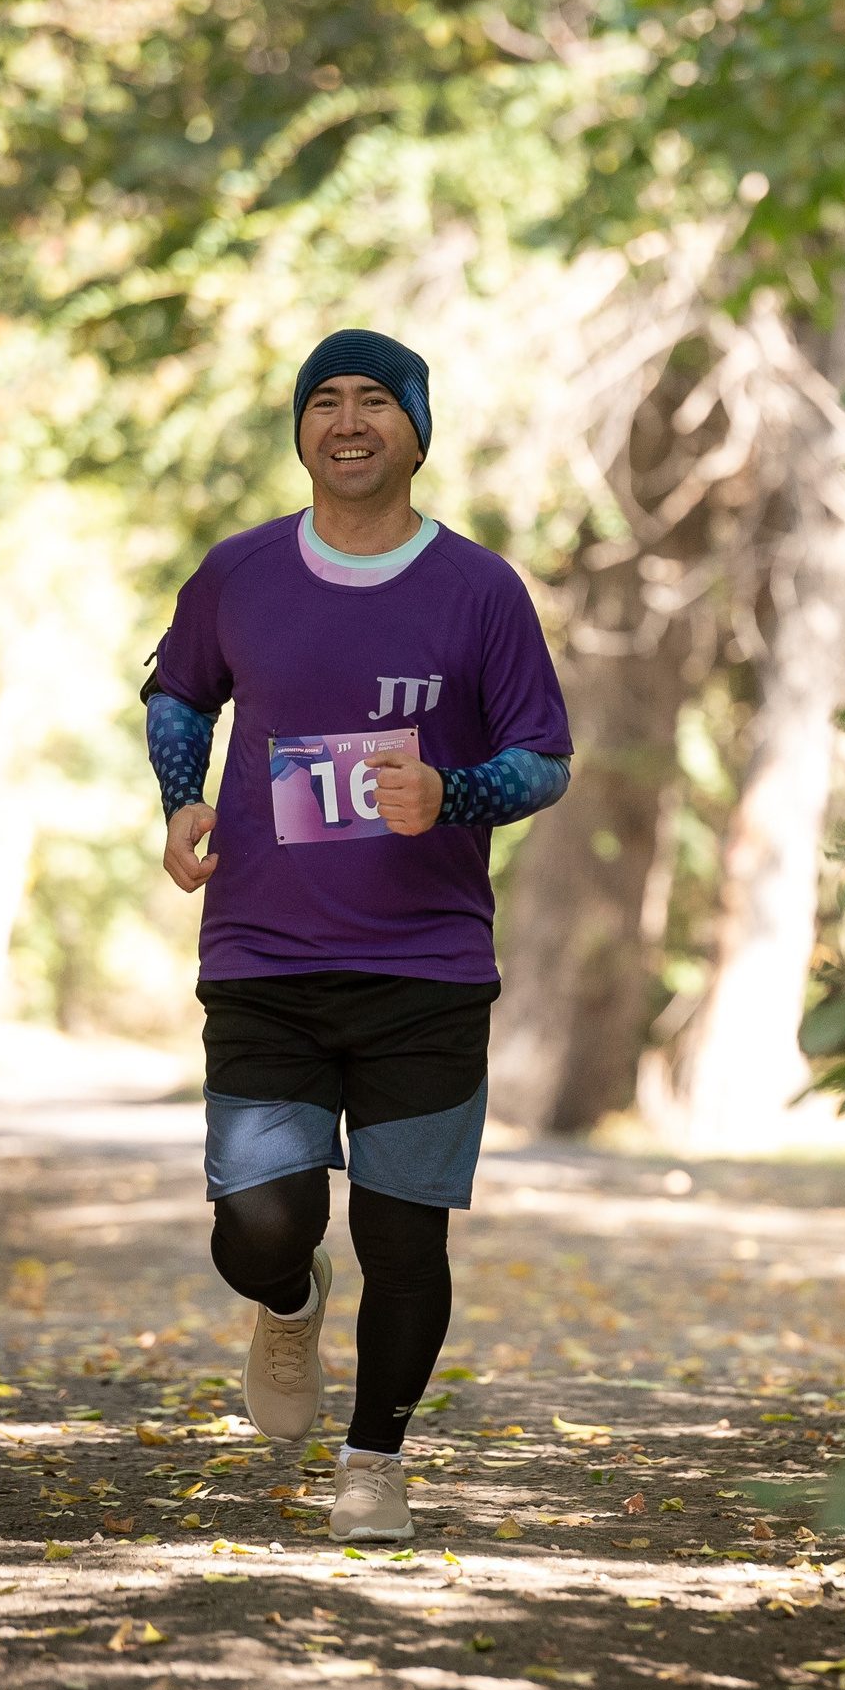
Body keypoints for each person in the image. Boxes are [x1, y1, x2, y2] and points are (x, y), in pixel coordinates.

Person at [141, 328, 572, 1541]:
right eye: (322, 401)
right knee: (258, 1222)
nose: (346, 421)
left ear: (416, 429)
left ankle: (374, 1458)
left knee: (404, 1233)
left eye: (375, 400)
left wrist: (457, 792)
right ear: (299, 430)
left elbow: (543, 758)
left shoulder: (480, 589)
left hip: (426, 962)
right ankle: (287, 1299)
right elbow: (180, 689)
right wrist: (182, 794)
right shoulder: (241, 572)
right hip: (265, 955)